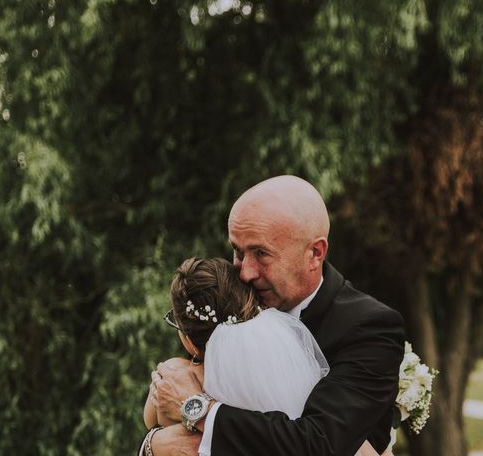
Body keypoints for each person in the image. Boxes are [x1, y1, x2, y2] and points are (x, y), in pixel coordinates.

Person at [149, 175, 405, 456]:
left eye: (261, 253)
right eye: (238, 251)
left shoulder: (369, 327)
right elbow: (165, 419)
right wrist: (150, 447)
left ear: (315, 253)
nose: (245, 272)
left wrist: (195, 409)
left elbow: (319, 444)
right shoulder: (224, 300)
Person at [141, 257, 382, 456]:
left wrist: (151, 443)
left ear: (189, 340)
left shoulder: (175, 375)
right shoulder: (290, 367)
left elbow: (151, 423)